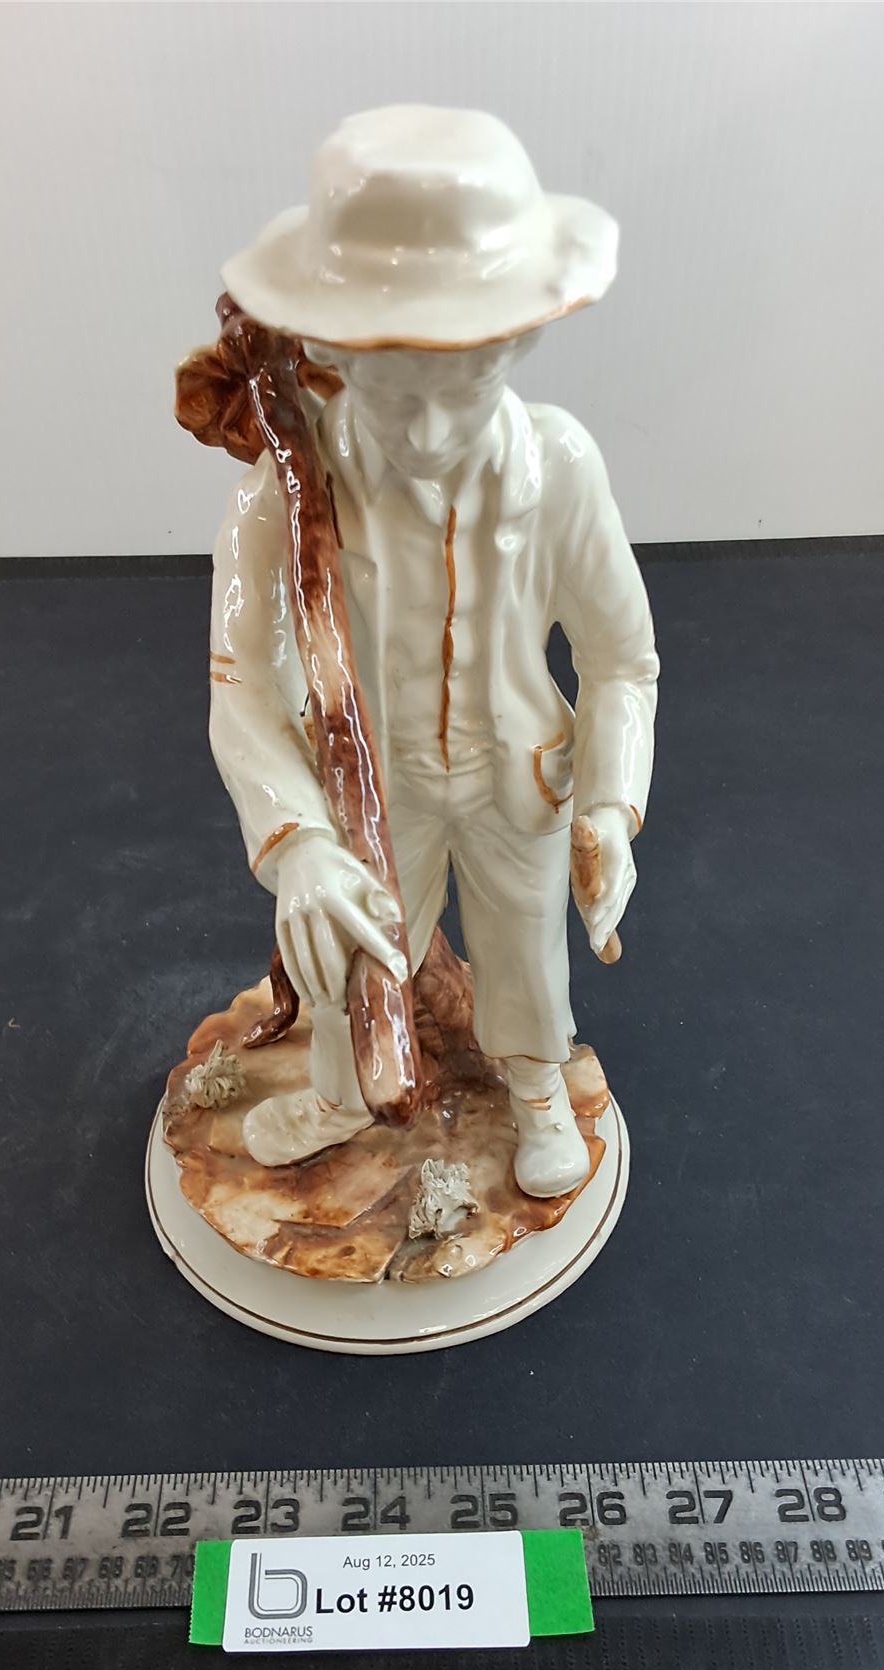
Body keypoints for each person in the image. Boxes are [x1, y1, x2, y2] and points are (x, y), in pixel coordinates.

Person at [206, 105, 659, 1198]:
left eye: (464, 391)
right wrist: (299, 844)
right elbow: (240, 682)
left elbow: (621, 660)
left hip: (517, 777)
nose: (431, 434)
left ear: (516, 347)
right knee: (351, 958)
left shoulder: (561, 469)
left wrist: (609, 806)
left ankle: (536, 1086)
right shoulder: (285, 495)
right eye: (394, 397)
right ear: (330, 356)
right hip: (373, 788)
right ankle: (339, 1088)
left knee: (524, 944)